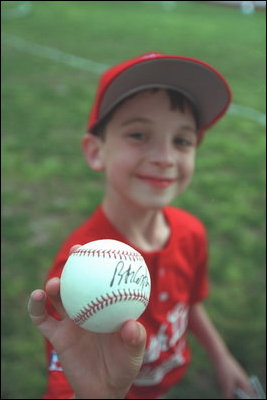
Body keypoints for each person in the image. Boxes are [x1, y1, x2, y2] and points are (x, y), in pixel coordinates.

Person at [28, 52, 255, 399]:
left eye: (182, 140)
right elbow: (67, 382)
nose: (164, 157)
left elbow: (191, 303)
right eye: (138, 134)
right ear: (95, 151)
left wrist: (221, 356)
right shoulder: (74, 275)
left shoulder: (191, 232)